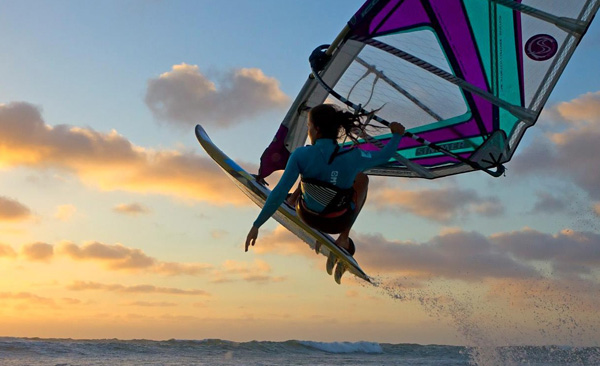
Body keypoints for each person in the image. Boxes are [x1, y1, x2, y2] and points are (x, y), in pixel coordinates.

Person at [245, 104, 405, 255]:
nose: (308, 131)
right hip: (337, 222)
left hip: (306, 214)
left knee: (312, 170)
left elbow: (279, 192)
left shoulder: (301, 155)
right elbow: (385, 156)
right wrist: (397, 135)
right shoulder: (353, 156)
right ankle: (343, 237)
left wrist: (256, 225)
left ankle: (291, 201)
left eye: (308, 127)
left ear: (317, 129)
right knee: (362, 178)